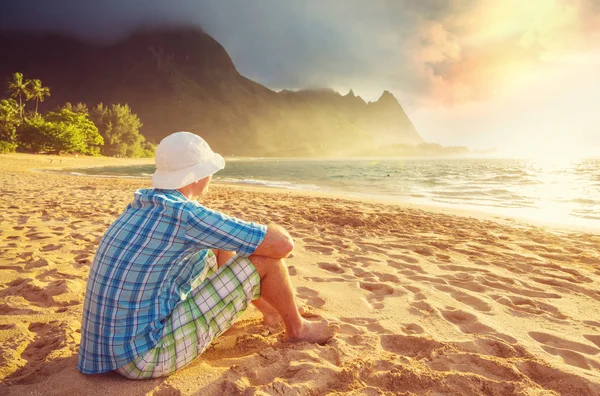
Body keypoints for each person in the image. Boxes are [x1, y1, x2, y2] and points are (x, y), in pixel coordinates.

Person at [78, 131, 338, 379]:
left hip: (103, 352)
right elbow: (281, 245)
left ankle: (270, 312)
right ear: (196, 177)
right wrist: (271, 226)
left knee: (217, 245)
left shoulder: (141, 204)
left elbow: (214, 241)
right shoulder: (185, 215)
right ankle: (297, 329)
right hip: (143, 358)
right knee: (265, 259)